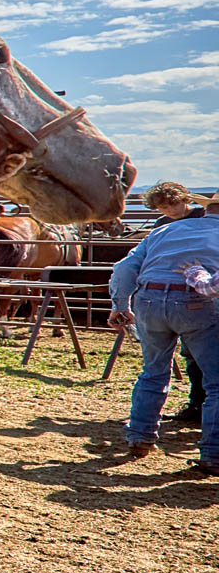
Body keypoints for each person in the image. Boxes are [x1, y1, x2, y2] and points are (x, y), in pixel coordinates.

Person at [109, 203, 219, 476]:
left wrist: (120, 304)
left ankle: (139, 436)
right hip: (198, 303)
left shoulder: (165, 230)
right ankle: (213, 453)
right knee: (216, 381)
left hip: (149, 299)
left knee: (154, 371)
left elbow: (124, 268)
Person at [144, 181, 209, 424]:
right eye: (163, 207)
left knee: (203, 353)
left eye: (173, 204)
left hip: (203, 287)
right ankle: (197, 403)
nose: (170, 210)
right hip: (177, 289)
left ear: (184, 199)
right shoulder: (162, 225)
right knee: (191, 353)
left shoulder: (204, 216)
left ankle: (202, 406)